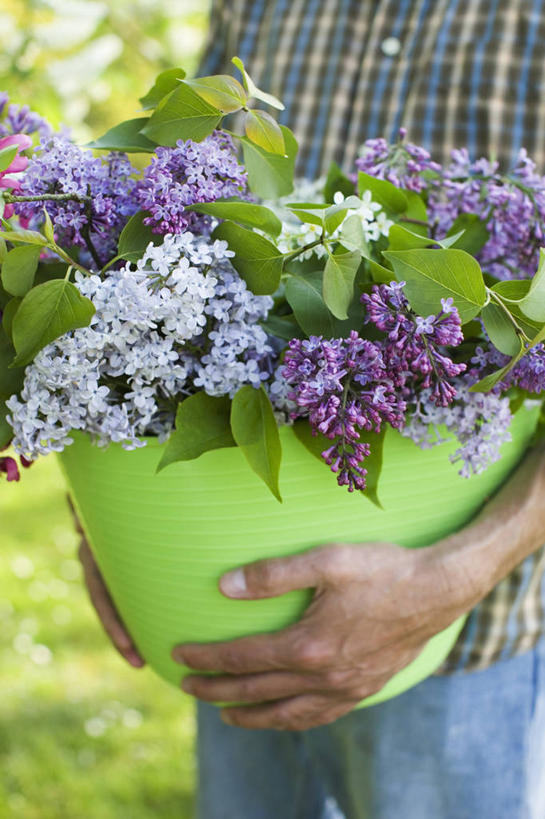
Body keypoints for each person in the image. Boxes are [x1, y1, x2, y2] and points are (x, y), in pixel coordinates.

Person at [77, 3, 545, 817]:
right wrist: (107, 518)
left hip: (455, 633)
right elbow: (163, 206)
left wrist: (455, 570)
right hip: (215, 590)